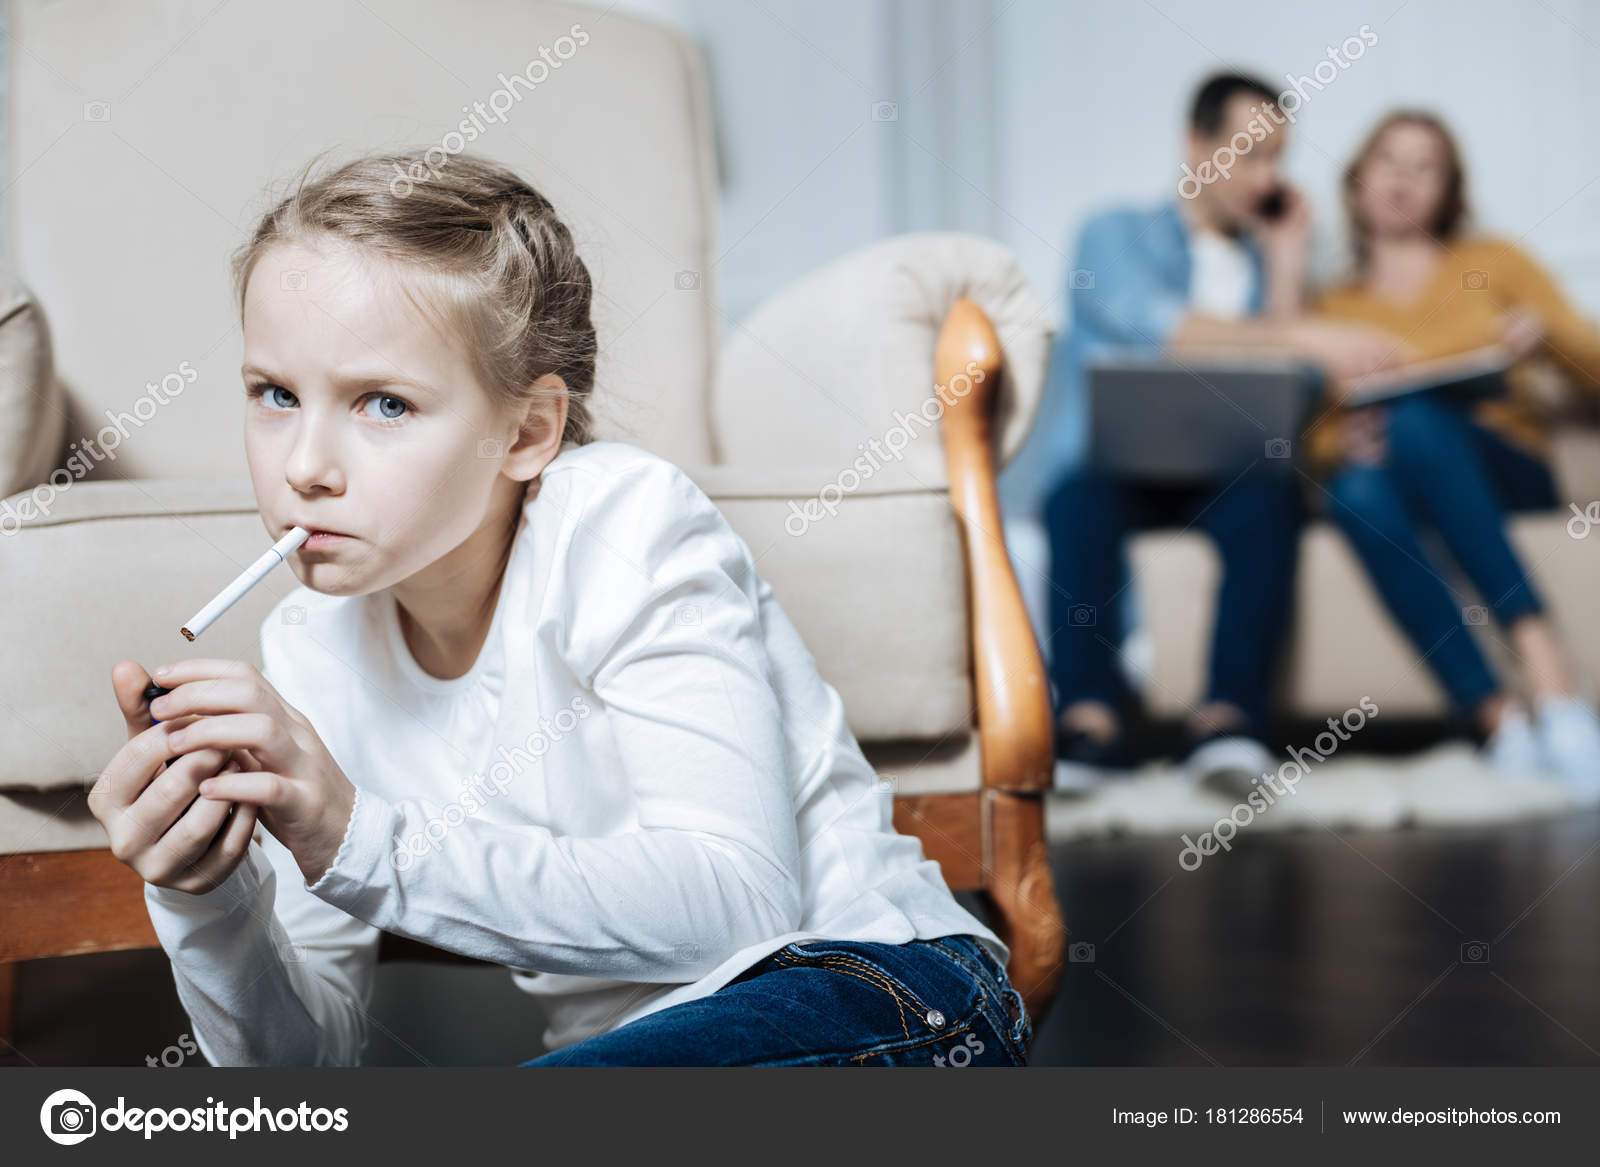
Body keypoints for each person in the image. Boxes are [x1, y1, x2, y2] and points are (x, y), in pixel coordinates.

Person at [88, 151, 1033, 1067]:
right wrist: (210, 900)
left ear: (529, 430)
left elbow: (744, 905)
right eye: (276, 394)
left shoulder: (623, 521)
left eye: (383, 404)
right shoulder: (308, 646)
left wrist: (355, 836)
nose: (303, 466)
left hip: (888, 991)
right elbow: (305, 1070)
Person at [1022, 71, 1412, 794]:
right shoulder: (1113, 235)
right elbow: (1158, 331)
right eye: (1248, 152)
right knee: (1075, 502)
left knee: (1271, 498)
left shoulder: (1269, 265)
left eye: (1278, 158)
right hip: (1118, 468)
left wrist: (1290, 264)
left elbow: (1296, 391)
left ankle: (1226, 718)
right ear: (1195, 144)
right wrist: (1300, 336)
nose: (1265, 176)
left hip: (1232, 474)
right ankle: (1088, 716)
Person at [1309, 110, 1600, 799]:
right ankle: (1502, 721)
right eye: (1390, 160)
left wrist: (1546, 332)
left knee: (1415, 417)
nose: (1405, 178)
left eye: (1425, 165)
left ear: (1449, 191)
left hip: (1508, 467)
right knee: (1354, 491)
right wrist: (1342, 440)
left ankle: (1550, 679)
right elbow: (1313, 431)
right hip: (1401, 477)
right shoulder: (1333, 304)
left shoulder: (1493, 262)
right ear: (1356, 181)